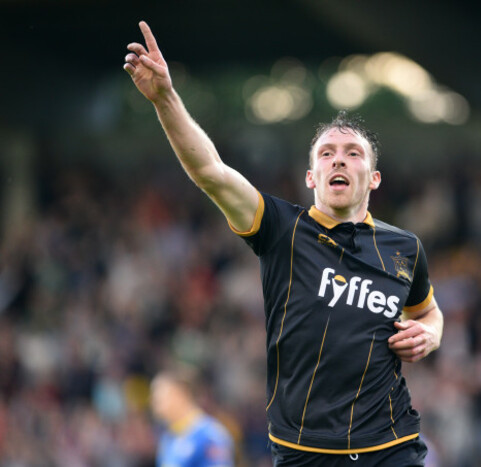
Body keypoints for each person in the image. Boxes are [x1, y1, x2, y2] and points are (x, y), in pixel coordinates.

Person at [125, 21, 444, 466]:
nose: (339, 158)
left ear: (372, 179)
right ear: (312, 177)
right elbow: (211, 173)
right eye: (326, 153)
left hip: (389, 447)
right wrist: (165, 99)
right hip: (302, 451)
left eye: (353, 153)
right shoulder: (280, 228)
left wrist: (429, 332)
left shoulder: (404, 248)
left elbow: (427, 310)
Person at [150, 368, 235, 467]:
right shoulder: (168, 437)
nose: (154, 402)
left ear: (180, 394)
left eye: (160, 397)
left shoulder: (210, 435)